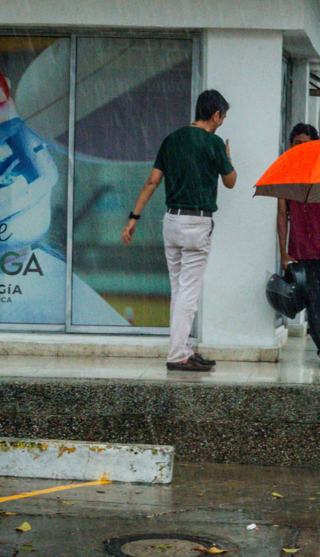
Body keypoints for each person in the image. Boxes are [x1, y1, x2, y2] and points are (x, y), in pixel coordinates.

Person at [122, 90, 236, 372]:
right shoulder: (214, 143)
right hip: (196, 224)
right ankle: (177, 355)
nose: (222, 122)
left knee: (179, 289)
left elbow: (152, 180)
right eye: (223, 117)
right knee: (188, 293)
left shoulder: (172, 139)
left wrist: (134, 217)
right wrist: (228, 158)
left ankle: (183, 348)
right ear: (215, 115)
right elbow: (231, 181)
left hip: (171, 222)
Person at [277, 123, 320, 367]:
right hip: (303, 251)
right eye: (296, 144)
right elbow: (282, 213)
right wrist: (283, 252)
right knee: (314, 300)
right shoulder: (285, 173)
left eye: (306, 143)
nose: (301, 148)